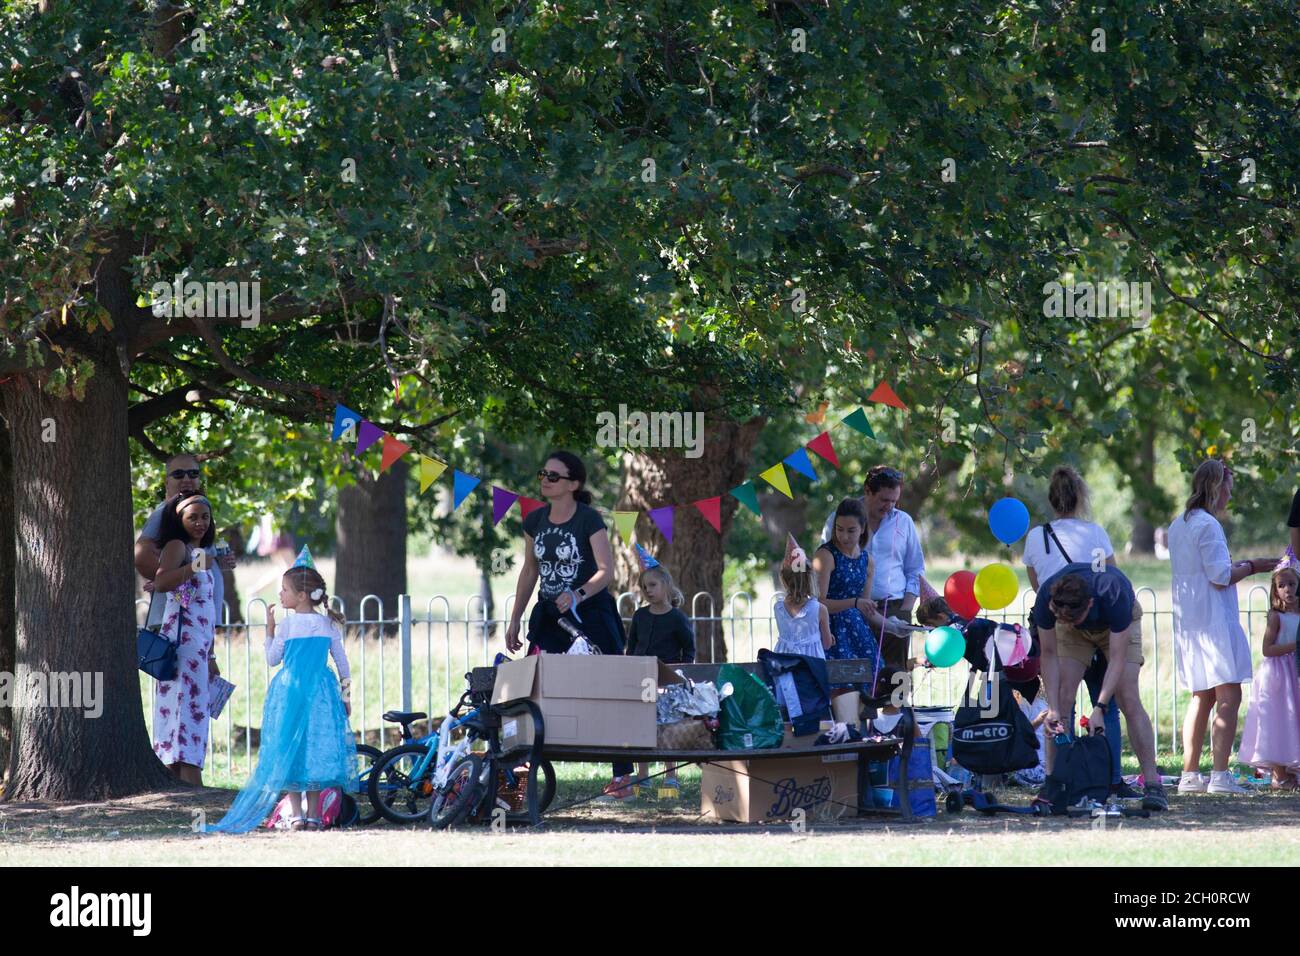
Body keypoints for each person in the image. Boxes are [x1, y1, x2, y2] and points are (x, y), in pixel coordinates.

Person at [504, 451, 631, 799]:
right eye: (543, 472)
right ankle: (521, 769)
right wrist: (515, 616)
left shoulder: (589, 519)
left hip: (591, 613)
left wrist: (578, 594)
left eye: (554, 475)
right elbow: (530, 570)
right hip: (549, 617)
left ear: (574, 484)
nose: (545, 479)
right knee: (532, 686)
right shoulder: (534, 520)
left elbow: (607, 571)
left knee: (608, 687)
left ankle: (622, 777)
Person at [208, 554, 356, 833]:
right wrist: (346, 696)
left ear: (302, 595)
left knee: (290, 748)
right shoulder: (327, 625)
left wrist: (270, 631)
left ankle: (297, 814)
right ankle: (313, 815)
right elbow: (342, 664)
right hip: (321, 695)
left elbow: (273, 659)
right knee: (313, 748)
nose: (280, 594)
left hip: (290, 692)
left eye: (285, 589)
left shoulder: (287, 626)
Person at [1021, 466, 1130, 797]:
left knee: (1061, 704)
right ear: (1080, 497)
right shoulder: (1095, 533)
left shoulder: (1036, 537)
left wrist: (1064, 611)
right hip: (1101, 621)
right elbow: (1111, 578)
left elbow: (1040, 587)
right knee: (1105, 703)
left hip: (1061, 625)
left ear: (1051, 500)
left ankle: (1058, 776)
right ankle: (1109, 777)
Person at [1167, 460, 1273, 794]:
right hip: (1213, 621)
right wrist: (1254, 566)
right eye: (1228, 487)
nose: (1230, 495)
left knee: (1200, 697)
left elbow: (1208, 569)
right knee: (1229, 696)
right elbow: (1220, 576)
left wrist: (1243, 564)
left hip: (1190, 621)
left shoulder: (1177, 525)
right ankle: (1220, 775)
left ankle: (1189, 775)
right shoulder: (1209, 525)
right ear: (1217, 487)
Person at [1032, 564, 1168, 811]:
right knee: (1062, 699)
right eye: (1062, 617)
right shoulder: (1048, 599)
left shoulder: (1113, 593)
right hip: (1076, 634)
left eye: (1074, 617)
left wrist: (1100, 707)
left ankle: (1152, 784)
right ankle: (1053, 784)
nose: (1068, 621)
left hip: (1116, 629)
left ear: (1090, 604)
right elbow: (1049, 654)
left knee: (1128, 697)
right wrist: (1052, 707)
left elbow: (1116, 658)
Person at [819, 465, 925, 670]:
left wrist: (905, 608)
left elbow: (916, 568)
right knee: (858, 679)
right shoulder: (839, 518)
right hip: (847, 613)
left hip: (894, 606)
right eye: (884, 500)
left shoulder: (904, 522)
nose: (890, 506)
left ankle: (893, 703)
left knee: (895, 679)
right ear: (867, 491)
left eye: (894, 501)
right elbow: (824, 564)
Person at [150, 491, 220, 786]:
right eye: (193, 518)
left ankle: (186, 779)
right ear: (180, 520)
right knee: (182, 713)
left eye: (205, 517)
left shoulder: (200, 550)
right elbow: (162, 581)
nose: (200, 523)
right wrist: (195, 567)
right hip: (181, 648)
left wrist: (212, 656)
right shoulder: (178, 547)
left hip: (200, 649)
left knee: (193, 712)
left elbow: (201, 606)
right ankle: (187, 780)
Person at [814, 498, 898, 727]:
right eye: (839, 530)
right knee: (838, 686)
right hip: (828, 631)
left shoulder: (867, 561)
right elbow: (818, 602)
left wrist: (893, 627)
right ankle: (843, 735)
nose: (844, 536)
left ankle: (863, 735)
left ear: (862, 529)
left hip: (857, 633)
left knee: (872, 685)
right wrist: (854, 603)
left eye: (851, 530)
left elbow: (867, 608)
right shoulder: (825, 555)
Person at [136, 453, 237, 625]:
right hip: (178, 624)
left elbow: (201, 560)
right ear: (166, 481)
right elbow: (140, 556)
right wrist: (175, 586)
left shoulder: (198, 510)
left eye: (193, 474)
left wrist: (220, 560)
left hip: (200, 621)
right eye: (178, 474)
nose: (186, 479)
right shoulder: (163, 514)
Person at [627, 544, 694, 793]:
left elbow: (689, 648)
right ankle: (642, 777)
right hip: (642, 677)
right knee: (641, 725)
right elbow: (632, 645)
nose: (647, 591)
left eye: (652, 586)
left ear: (665, 586)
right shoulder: (640, 616)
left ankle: (670, 776)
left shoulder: (677, 618)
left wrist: (680, 671)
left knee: (667, 726)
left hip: (667, 679)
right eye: (644, 587)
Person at [1237, 562, 1300, 789]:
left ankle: (1293, 771)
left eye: (1292, 584)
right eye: (1282, 586)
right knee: (1279, 720)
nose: (1288, 590)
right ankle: (1279, 774)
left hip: (1297, 671)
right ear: (1275, 590)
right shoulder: (1276, 616)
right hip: (1279, 674)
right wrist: (1295, 646)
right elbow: (1267, 649)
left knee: (1295, 719)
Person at [774, 534, 835, 659]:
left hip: (784, 664)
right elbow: (827, 644)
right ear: (810, 579)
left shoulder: (778, 608)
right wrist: (829, 639)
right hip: (811, 666)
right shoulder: (819, 609)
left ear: (784, 580)